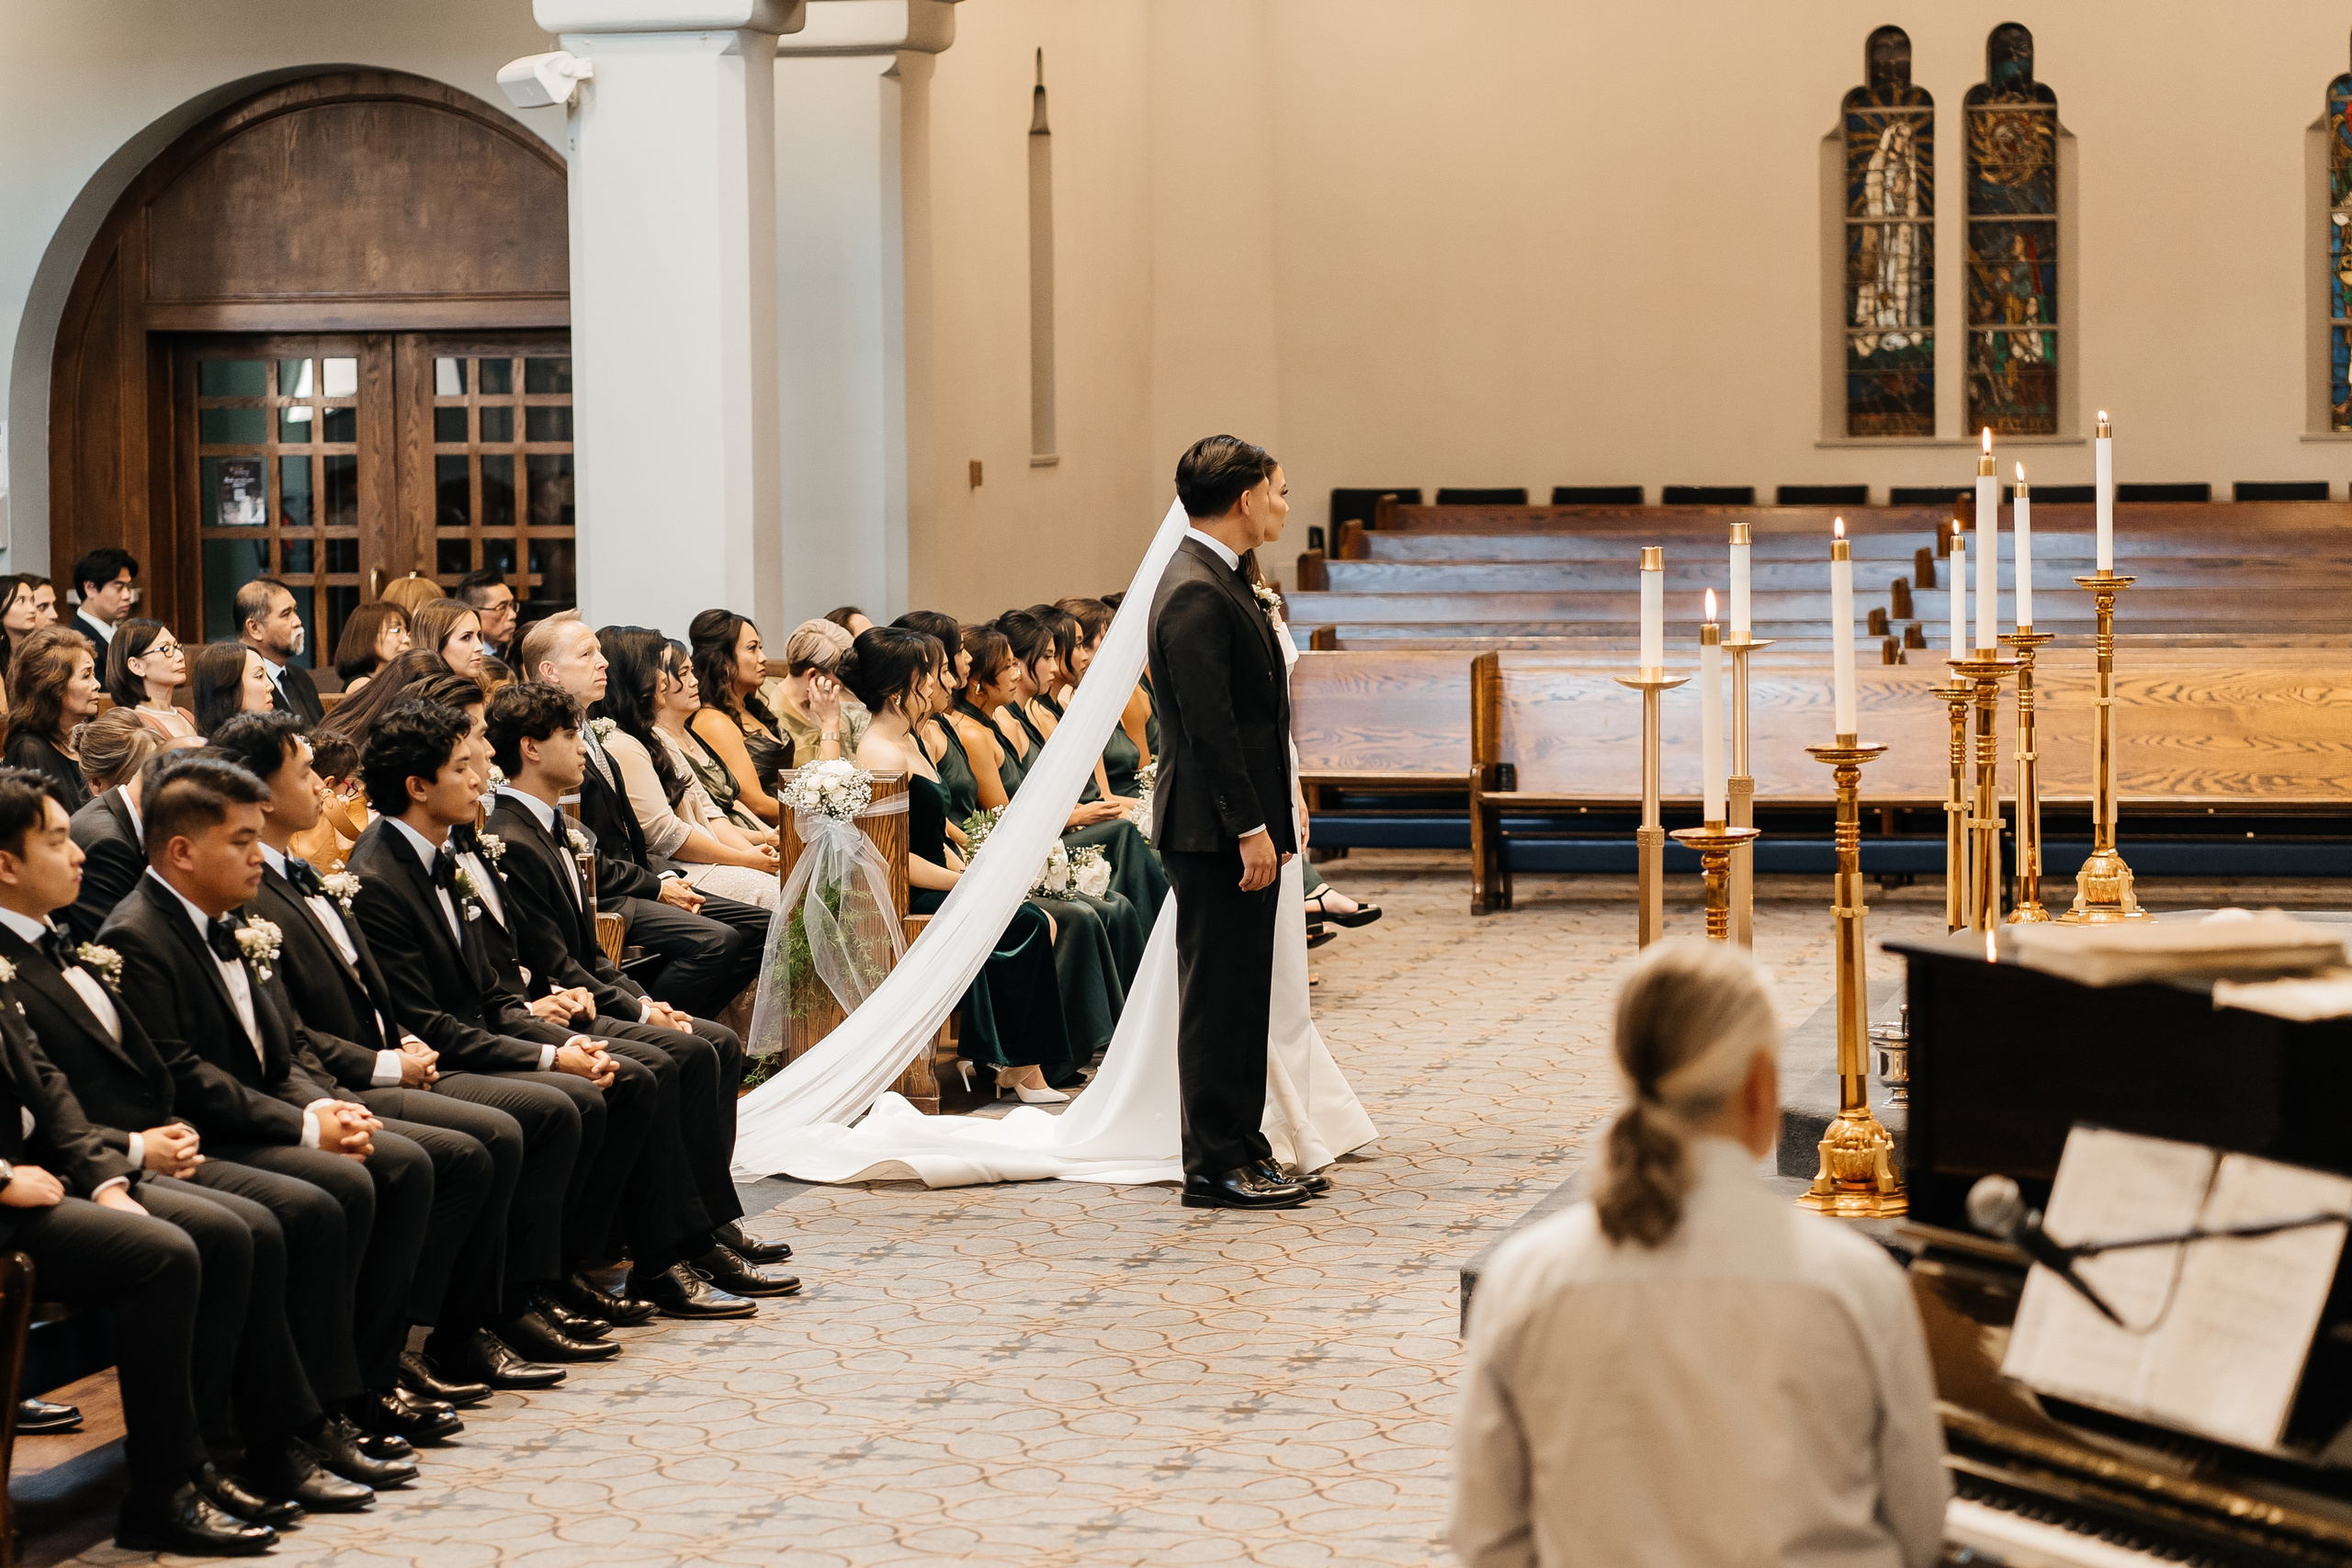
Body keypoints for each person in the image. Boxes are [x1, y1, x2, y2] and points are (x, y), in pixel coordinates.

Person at [1449, 940, 1948, 1568]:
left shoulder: (1527, 1277)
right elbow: (1921, 1527)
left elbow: (1487, 1538)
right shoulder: (1853, 1281)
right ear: (1761, 1085)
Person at [0, 765, 387, 1525]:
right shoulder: (89, 938)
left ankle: (253, 1442)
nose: (80, 851)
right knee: (184, 1245)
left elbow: (48, 1083)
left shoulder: (55, 939)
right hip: (38, 1177)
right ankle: (171, 1480)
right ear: (6, 864)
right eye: (56, 840)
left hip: (91, 1157)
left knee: (252, 1225)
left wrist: (121, 1162)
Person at [345, 701, 757, 1321]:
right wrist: (547, 1046)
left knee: (672, 1057)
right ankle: (554, 1281)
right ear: (418, 785)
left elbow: (495, 984)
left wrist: (551, 1019)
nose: (482, 772)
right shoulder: (383, 871)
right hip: (443, 1052)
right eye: (464, 763)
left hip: (501, 1020)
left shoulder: (445, 847)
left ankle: (657, 1246)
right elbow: (433, 1020)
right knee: (613, 1081)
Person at [98, 756, 445, 1470]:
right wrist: (303, 1125)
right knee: (333, 1190)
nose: (260, 858)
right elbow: (185, 1077)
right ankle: (306, 1413)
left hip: (256, 1114)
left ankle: (358, 1382)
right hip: (208, 1134)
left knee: (395, 1161)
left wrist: (325, 1104)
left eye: (259, 839)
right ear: (182, 851)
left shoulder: (230, 919)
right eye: (241, 842)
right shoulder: (137, 932)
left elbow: (278, 1048)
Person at [485, 682, 791, 1275]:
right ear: (530, 748)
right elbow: (557, 964)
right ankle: (671, 1246)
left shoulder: (551, 826)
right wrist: (643, 1012)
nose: (583, 747)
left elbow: (593, 956)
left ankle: (709, 1216)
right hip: (556, 1005)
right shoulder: (514, 837)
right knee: (678, 1055)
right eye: (570, 734)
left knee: (719, 1043)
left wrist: (645, 999)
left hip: (585, 988)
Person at [1148, 435, 1307, 1211]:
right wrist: (1248, 827)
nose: (1284, 502)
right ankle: (1211, 1164)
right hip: (1213, 830)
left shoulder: (1226, 576)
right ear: (1244, 498)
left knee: (1245, 991)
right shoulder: (1193, 589)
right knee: (1217, 995)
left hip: (1240, 823)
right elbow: (1208, 728)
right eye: (1278, 489)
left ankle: (1246, 1146)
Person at [519, 615, 766, 1021]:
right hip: (604, 891)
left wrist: (662, 881)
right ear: (550, 672)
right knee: (718, 941)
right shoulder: (545, 747)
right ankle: (657, 1024)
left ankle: (679, 1023)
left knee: (761, 926)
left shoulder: (591, 730)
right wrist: (657, 885)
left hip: (632, 878)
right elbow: (576, 846)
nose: (603, 663)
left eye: (600, 653)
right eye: (587, 655)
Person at [594, 629, 779, 908]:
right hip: (683, 870)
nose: (662, 679)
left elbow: (710, 812)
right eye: (655, 668)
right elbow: (668, 837)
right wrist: (745, 858)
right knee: (780, 895)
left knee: (787, 882)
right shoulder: (622, 744)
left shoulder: (659, 738)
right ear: (634, 677)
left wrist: (756, 854)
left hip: (712, 855)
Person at [685, 609, 788, 827]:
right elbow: (756, 804)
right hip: (762, 831)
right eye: (752, 649)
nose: (763, 658)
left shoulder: (751, 707)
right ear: (723, 660)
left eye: (760, 647)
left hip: (787, 817)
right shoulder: (714, 721)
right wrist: (821, 813)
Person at [6, 626, 102, 812]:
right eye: (86, 676)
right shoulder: (30, 750)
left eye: (94, 674)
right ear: (54, 687)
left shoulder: (85, 739)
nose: (97, 684)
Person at [233, 579, 322, 724]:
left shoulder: (300, 676)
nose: (297, 622)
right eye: (285, 614)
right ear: (254, 628)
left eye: (295, 611)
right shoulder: (239, 685)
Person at [771, 617, 858, 763]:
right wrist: (830, 722)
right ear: (813, 675)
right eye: (839, 673)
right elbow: (825, 777)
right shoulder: (775, 717)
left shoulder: (823, 702)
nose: (843, 681)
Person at [105, 618, 198, 739]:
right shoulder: (136, 726)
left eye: (177, 647)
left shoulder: (185, 714)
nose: (180, 656)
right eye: (166, 649)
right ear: (136, 665)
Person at [189, 640, 276, 738]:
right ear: (228, 688)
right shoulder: (212, 751)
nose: (271, 686)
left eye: (266, 675)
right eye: (259, 676)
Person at [68, 546, 139, 653]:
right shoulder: (75, 643)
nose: (127, 595)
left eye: (128, 586)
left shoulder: (121, 634)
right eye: (119, 587)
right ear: (90, 588)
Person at [331, 602, 412, 694]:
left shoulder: (397, 680)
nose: (407, 639)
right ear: (368, 637)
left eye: (406, 631)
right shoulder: (361, 684)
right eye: (396, 630)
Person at [411, 598, 486, 681]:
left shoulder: (490, 688)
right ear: (438, 643)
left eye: (478, 635)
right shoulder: (413, 692)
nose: (480, 647)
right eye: (466, 637)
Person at [458, 570, 518, 662]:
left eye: (511, 605)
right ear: (473, 613)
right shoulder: (465, 663)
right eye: (502, 608)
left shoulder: (504, 655)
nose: (513, 615)